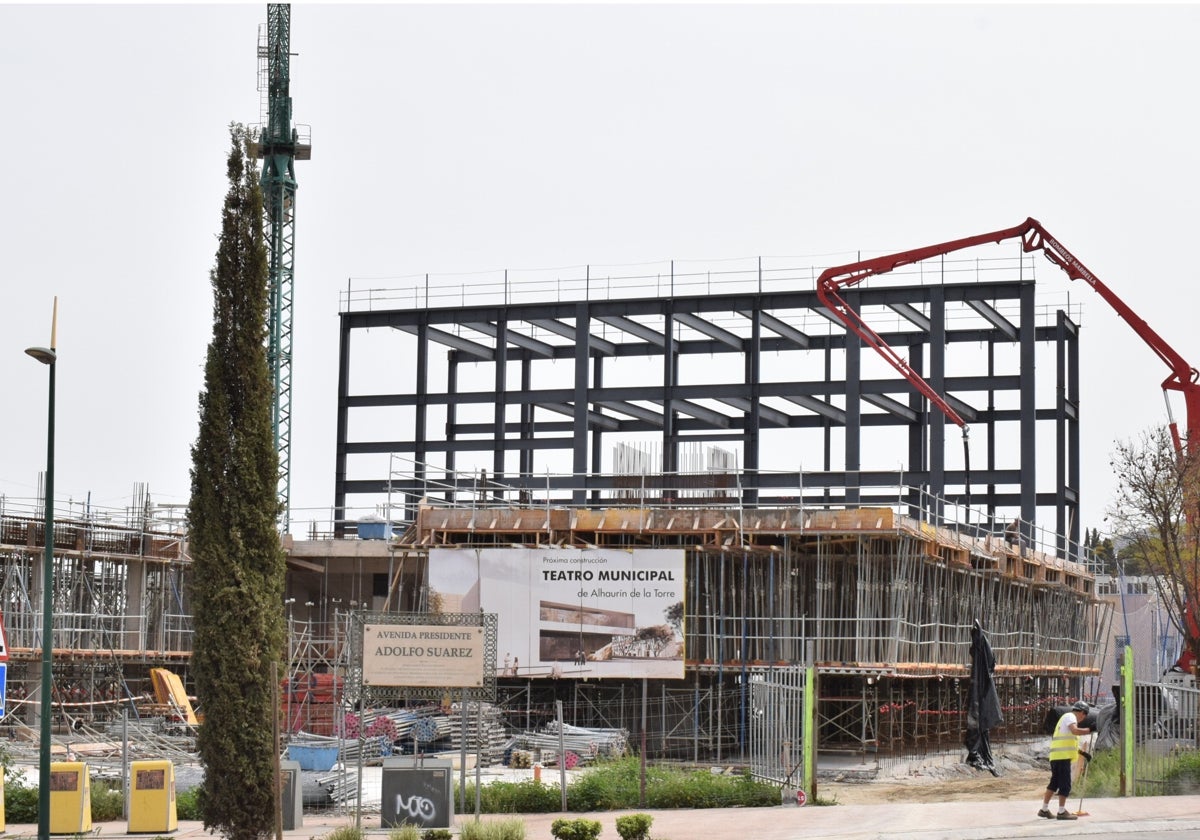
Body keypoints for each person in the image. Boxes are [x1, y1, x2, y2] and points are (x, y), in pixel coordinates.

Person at [1040, 700, 1091, 820]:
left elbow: (1071, 744)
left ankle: (1044, 809)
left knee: (1054, 783)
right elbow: (1075, 731)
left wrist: (1083, 753)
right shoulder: (1070, 717)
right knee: (1065, 784)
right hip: (1062, 757)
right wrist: (1090, 729)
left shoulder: (1067, 719)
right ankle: (1062, 812)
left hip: (1057, 757)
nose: (1082, 720)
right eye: (1084, 716)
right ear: (1082, 713)